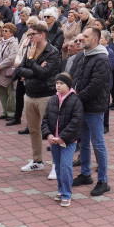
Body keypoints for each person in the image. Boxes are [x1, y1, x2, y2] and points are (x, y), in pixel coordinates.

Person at [13, 22, 61, 172]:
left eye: (33, 34)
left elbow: (45, 74)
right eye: (29, 34)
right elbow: (19, 69)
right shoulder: (29, 48)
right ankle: (37, 160)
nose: (30, 37)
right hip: (29, 94)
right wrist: (35, 69)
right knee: (34, 130)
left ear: (43, 35)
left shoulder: (52, 52)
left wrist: (31, 61)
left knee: (52, 130)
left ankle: (56, 165)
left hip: (46, 95)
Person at [70, 27, 112, 196]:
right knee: (84, 142)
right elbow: (73, 76)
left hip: (94, 108)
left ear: (95, 40)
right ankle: (85, 174)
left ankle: (103, 180)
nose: (81, 40)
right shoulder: (82, 55)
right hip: (81, 106)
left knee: (98, 143)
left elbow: (96, 85)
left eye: (85, 37)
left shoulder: (101, 58)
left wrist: (77, 98)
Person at [41, 73, 82, 207]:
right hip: (54, 140)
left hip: (68, 141)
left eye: (61, 83)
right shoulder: (53, 99)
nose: (58, 86)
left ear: (68, 85)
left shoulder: (75, 100)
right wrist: (48, 134)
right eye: (57, 83)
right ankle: (61, 189)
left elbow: (76, 122)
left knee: (65, 166)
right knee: (58, 166)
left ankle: (66, 193)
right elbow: (45, 119)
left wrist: (62, 137)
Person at [0, 23, 19, 122]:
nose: (3, 33)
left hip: (8, 71)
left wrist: (0, 66)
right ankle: (4, 111)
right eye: (3, 31)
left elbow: (12, 58)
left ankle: (11, 113)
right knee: (2, 92)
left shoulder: (14, 43)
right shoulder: (0, 42)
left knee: (11, 93)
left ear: (11, 33)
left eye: (6, 31)